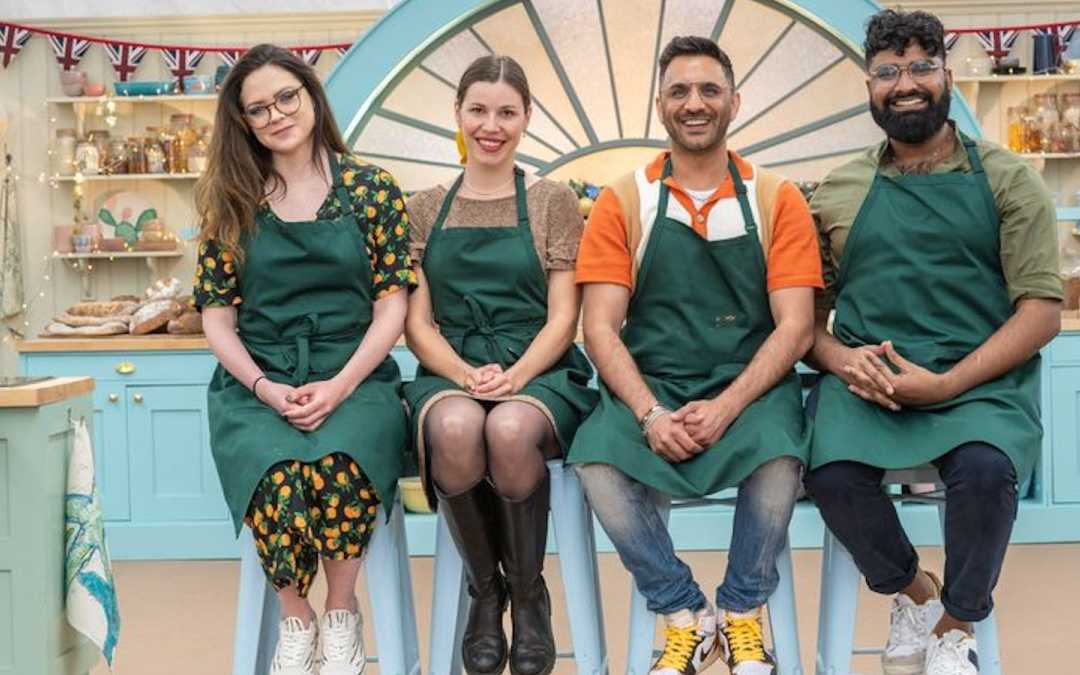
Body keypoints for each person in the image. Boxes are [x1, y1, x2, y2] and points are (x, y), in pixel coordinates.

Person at [804, 10, 1062, 675]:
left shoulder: (1009, 179)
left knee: (984, 474)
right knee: (829, 475)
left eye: (922, 66)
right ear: (869, 84)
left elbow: (1040, 312)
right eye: (888, 71)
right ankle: (916, 592)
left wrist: (947, 384)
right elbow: (803, 321)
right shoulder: (838, 189)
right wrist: (840, 358)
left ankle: (957, 621)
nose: (906, 84)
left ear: (947, 74)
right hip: (868, 389)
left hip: (975, 384)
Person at [569, 35, 822, 675]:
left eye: (709, 89)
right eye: (679, 91)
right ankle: (683, 610)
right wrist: (651, 413)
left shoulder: (776, 198)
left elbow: (795, 327)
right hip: (649, 383)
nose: (695, 103)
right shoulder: (622, 201)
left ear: (734, 102)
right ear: (660, 105)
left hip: (751, 386)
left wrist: (729, 405)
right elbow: (599, 328)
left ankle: (742, 611)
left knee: (780, 458)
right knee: (596, 460)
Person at [194, 43, 413, 675]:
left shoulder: (371, 190)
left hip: (356, 374)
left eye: (285, 97)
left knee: (339, 467)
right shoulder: (231, 202)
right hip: (255, 382)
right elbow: (217, 319)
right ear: (244, 123)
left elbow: (391, 307)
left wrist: (341, 387)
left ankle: (342, 613)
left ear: (311, 97)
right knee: (277, 478)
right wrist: (264, 388)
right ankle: (297, 617)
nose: (276, 115)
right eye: (258, 109)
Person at [403, 55, 596, 675]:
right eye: (478, 110)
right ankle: (486, 594)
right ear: (456, 116)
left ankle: (529, 594)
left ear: (526, 119)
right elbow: (416, 323)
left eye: (507, 112)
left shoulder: (552, 201)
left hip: (539, 368)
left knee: (509, 429)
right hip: (450, 363)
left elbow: (564, 316)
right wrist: (462, 373)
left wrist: (517, 375)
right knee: (458, 427)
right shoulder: (422, 209)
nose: (492, 125)